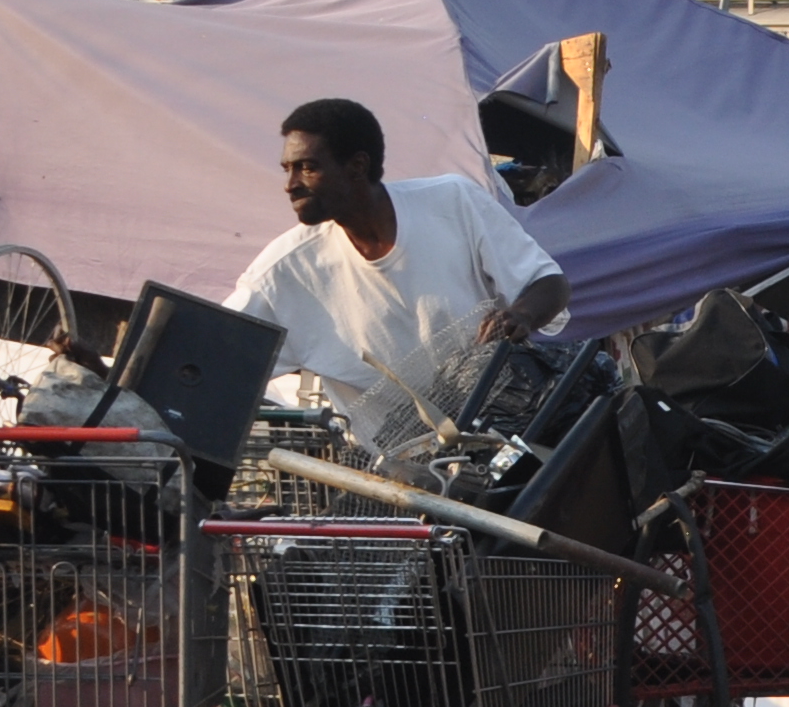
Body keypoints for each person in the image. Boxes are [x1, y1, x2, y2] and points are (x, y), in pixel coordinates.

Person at [224, 96, 569, 459]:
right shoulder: (282, 272)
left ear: (357, 166)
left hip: (502, 442)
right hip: (402, 471)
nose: (290, 184)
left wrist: (521, 314)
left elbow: (550, 283)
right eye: (287, 169)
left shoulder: (452, 203)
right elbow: (215, 353)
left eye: (307, 167)